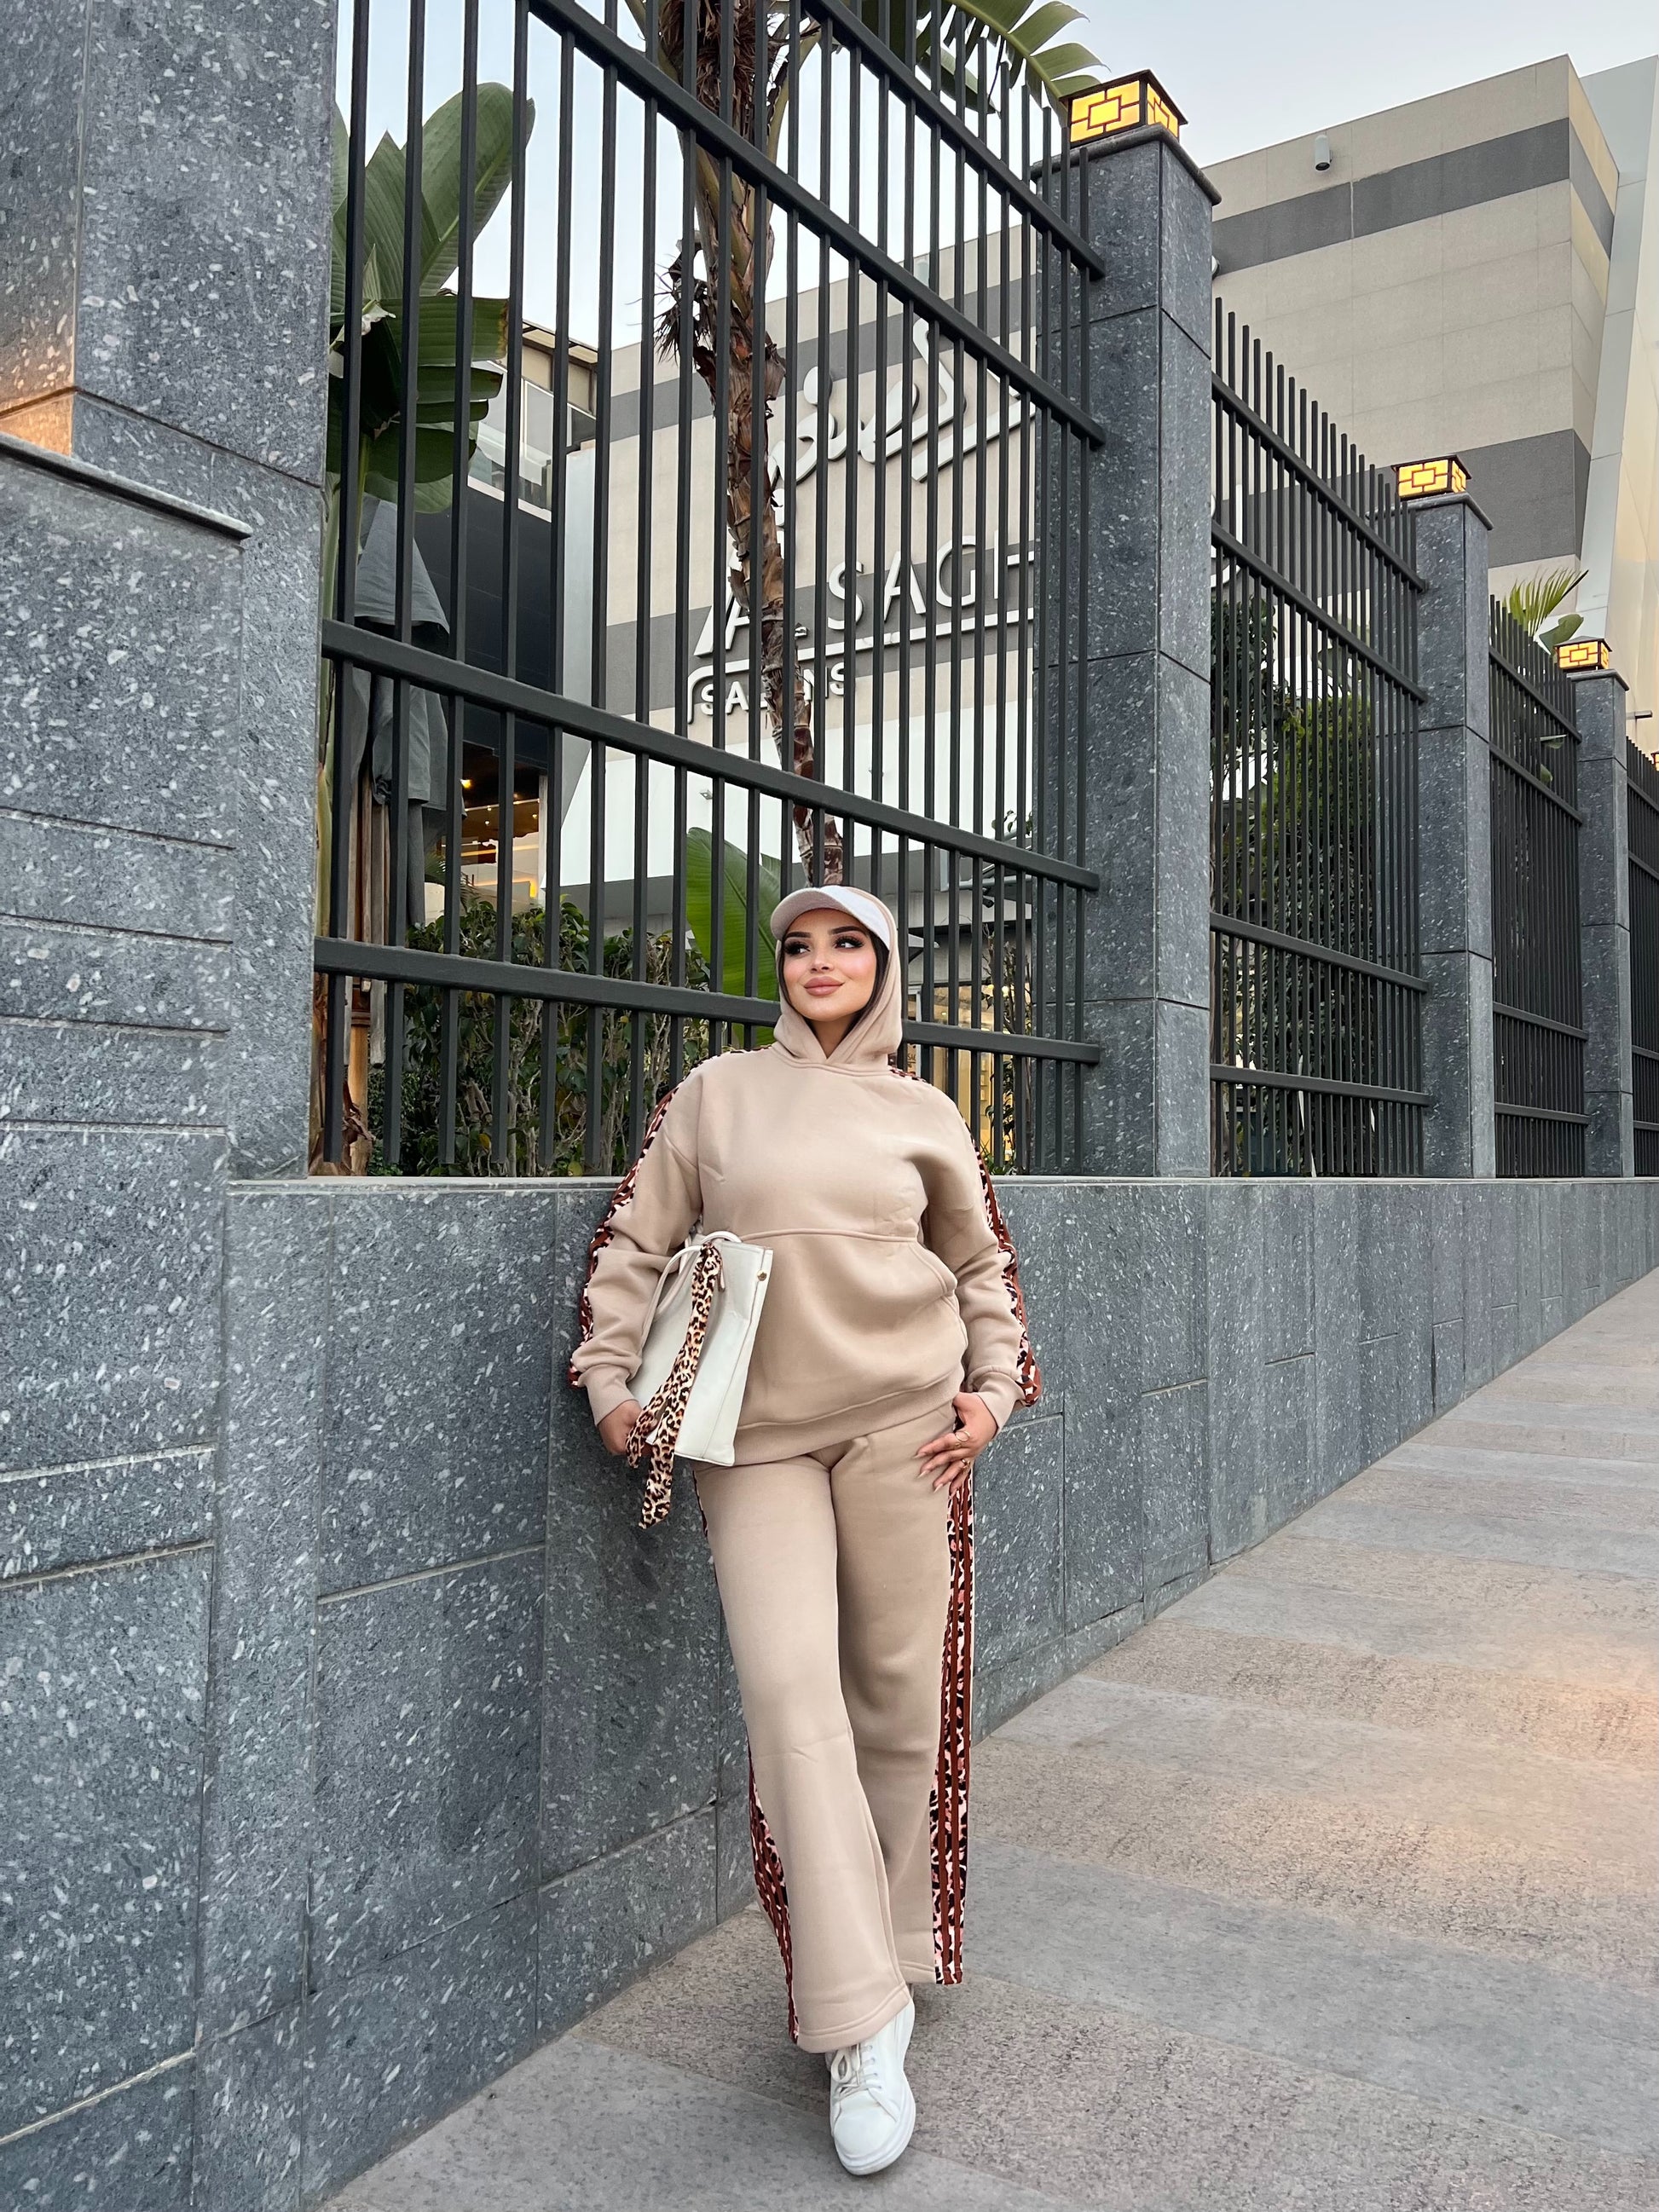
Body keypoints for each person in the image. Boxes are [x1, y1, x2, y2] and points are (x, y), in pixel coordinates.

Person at [567, 883, 1041, 2175]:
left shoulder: (925, 1112)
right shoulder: (715, 1093)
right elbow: (634, 1242)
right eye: (798, 946)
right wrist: (608, 1381)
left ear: (883, 966)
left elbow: (982, 1265)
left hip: (908, 1429)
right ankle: (857, 2020)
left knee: (896, 1704)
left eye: (845, 945)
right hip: (753, 1437)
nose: (818, 962)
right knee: (790, 1700)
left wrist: (994, 1393)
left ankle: (889, 1953)